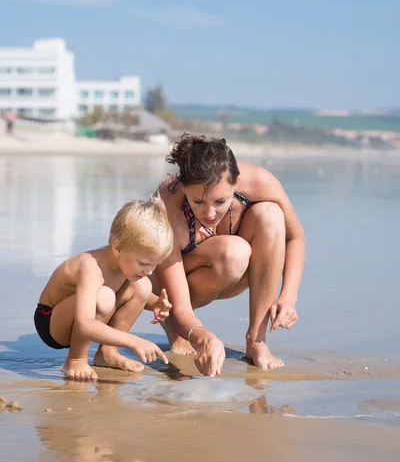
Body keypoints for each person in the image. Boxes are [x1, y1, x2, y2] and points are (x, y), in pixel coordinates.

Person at [155, 134, 305, 378]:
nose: (210, 213)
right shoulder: (168, 203)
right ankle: (177, 329)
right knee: (233, 253)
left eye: (220, 201)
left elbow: (295, 237)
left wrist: (288, 297)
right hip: (167, 290)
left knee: (270, 215)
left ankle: (257, 340)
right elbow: (177, 302)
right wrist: (202, 336)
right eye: (198, 201)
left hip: (231, 271)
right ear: (182, 187)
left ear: (236, 184)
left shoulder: (260, 182)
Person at [34, 197, 173, 381]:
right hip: (51, 322)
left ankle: (107, 353)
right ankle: (76, 358)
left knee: (143, 286)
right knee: (105, 297)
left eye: (155, 265)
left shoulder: (127, 263)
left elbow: (135, 292)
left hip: (86, 315)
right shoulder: (91, 267)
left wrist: (155, 303)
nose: (149, 271)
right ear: (117, 248)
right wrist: (134, 341)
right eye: (144, 263)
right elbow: (85, 323)